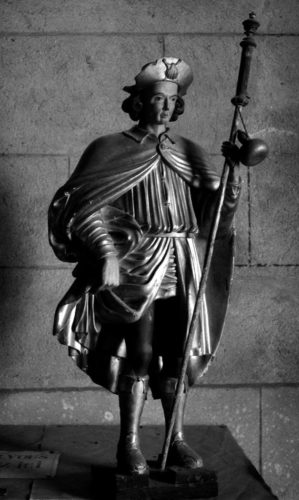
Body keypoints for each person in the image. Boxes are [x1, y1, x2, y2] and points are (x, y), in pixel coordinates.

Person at [48, 57, 241, 475]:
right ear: (138, 103)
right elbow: (81, 207)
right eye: (157, 98)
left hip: (182, 261)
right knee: (140, 351)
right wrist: (106, 253)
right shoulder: (109, 149)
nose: (166, 108)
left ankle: (175, 439)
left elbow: (212, 220)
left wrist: (230, 181)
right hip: (136, 263)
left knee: (177, 352)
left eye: (173, 100)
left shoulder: (188, 151)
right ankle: (130, 443)